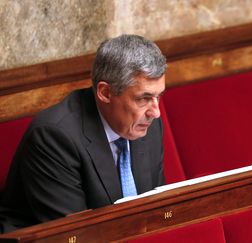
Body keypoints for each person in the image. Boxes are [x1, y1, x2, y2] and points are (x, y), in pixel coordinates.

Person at [0, 34, 167, 233]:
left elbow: (158, 210)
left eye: (158, 96)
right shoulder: (54, 137)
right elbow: (77, 234)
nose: (155, 112)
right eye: (143, 98)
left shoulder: (148, 126)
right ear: (105, 93)